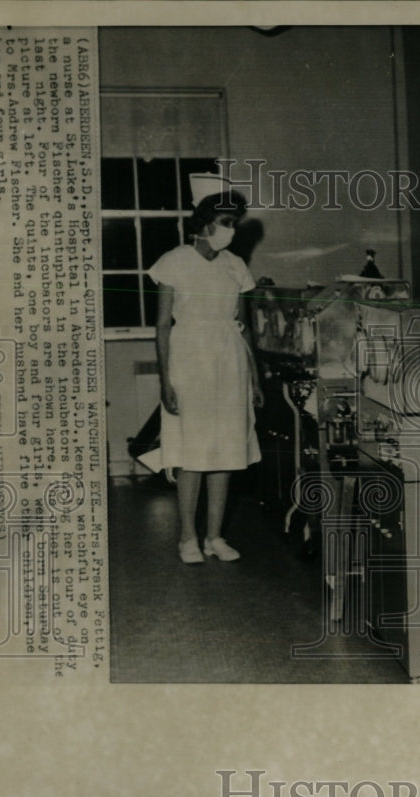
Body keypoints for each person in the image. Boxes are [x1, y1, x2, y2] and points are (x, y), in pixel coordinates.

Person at [149, 174, 264, 564]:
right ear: (204, 222)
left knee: (226, 452)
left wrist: (256, 379)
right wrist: (166, 382)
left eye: (235, 223)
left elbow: (244, 329)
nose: (232, 231)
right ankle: (187, 537)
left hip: (229, 363)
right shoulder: (173, 262)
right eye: (226, 222)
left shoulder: (235, 266)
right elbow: (163, 325)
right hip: (189, 361)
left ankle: (215, 536)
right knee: (192, 452)